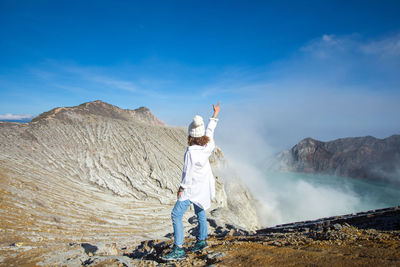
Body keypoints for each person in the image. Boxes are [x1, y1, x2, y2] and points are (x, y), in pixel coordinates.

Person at [162, 102, 221, 261]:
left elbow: (187, 174)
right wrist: (215, 114)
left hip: (191, 187)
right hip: (203, 186)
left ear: (190, 135)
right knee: (200, 211)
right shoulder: (208, 144)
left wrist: (181, 188)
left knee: (175, 214)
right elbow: (210, 130)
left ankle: (179, 249)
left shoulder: (190, 152)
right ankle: (201, 241)